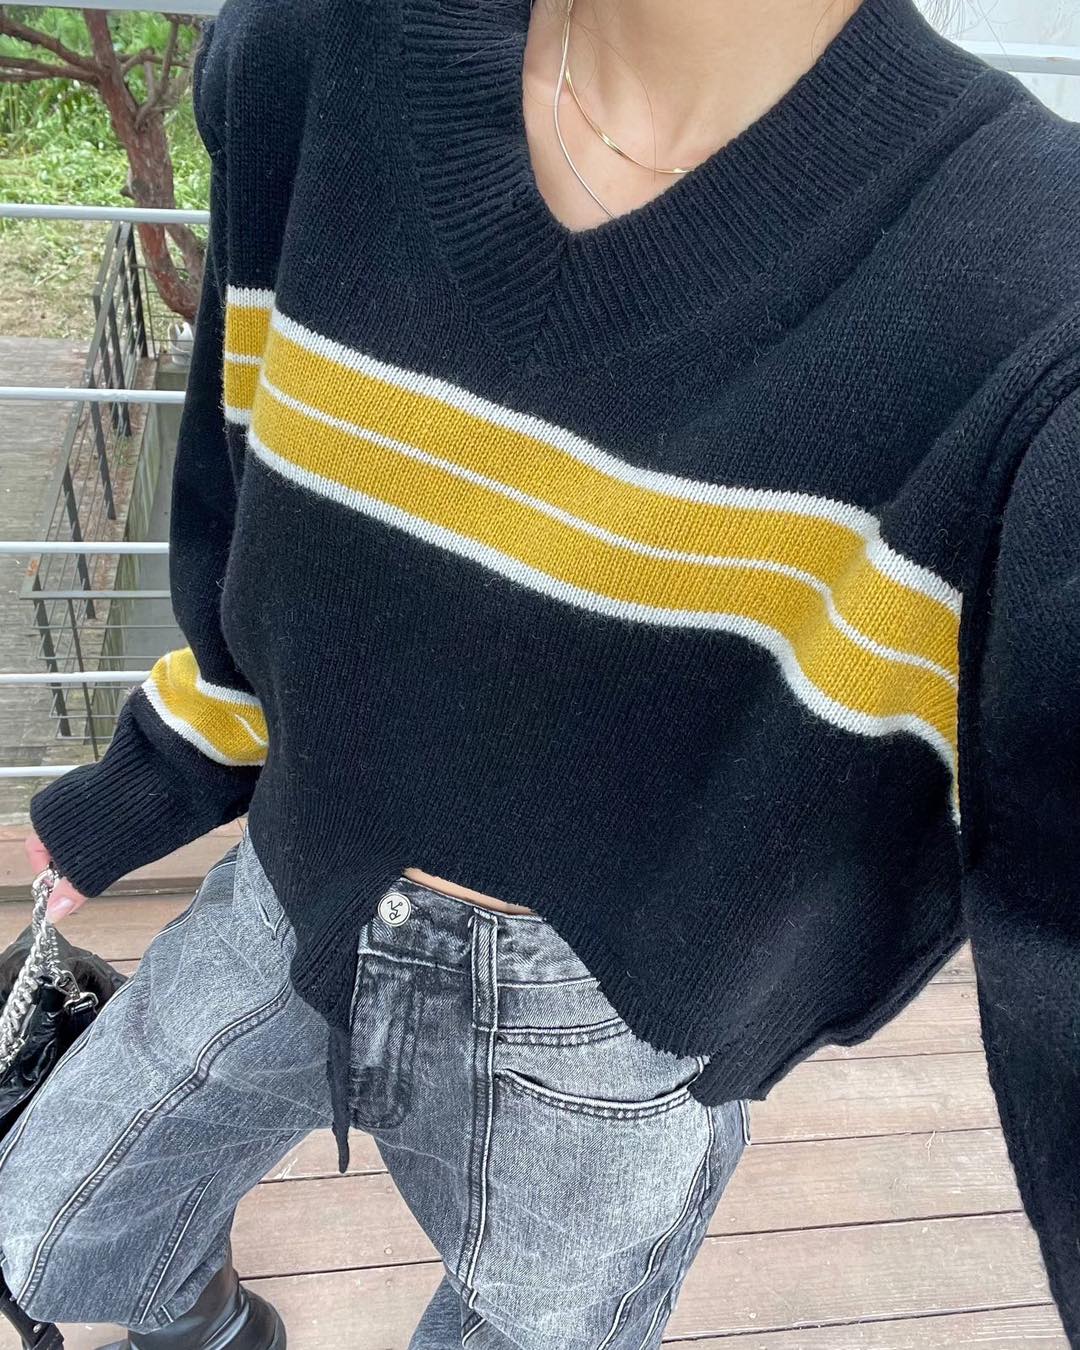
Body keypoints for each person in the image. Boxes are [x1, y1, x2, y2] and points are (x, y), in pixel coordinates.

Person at [3, 0, 1080, 1345]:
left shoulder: (1036, 291)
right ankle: (211, 1325)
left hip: (614, 1031)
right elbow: (249, 518)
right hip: (298, 881)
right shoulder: (309, 58)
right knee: (47, 1218)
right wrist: (152, 778)